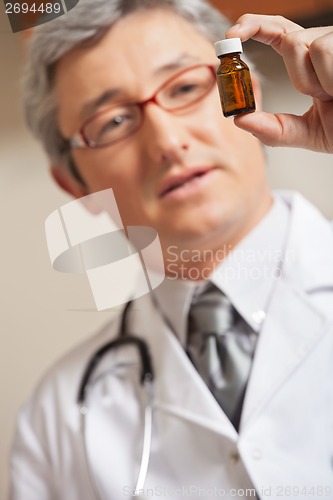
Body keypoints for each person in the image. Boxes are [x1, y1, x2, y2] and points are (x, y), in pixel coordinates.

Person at [10, 0, 333, 499]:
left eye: (185, 87)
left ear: (246, 89)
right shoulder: (55, 422)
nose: (167, 139)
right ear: (75, 186)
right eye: (113, 121)